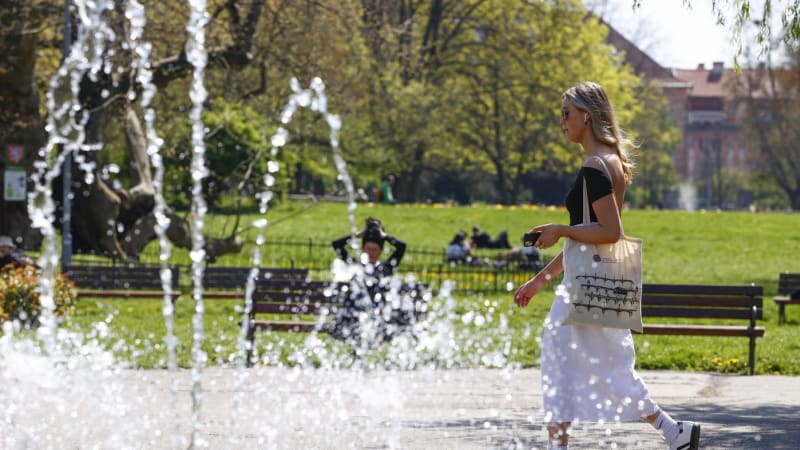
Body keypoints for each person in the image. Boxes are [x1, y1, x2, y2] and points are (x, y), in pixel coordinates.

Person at [513, 82, 700, 450]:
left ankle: (560, 445)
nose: (562, 121)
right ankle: (673, 431)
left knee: (559, 367)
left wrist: (560, 229)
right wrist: (540, 279)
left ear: (586, 115)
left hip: (583, 290)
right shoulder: (611, 162)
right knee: (609, 368)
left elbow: (610, 232)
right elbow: (587, 241)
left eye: (566, 113)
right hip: (597, 282)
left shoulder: (594, 167)